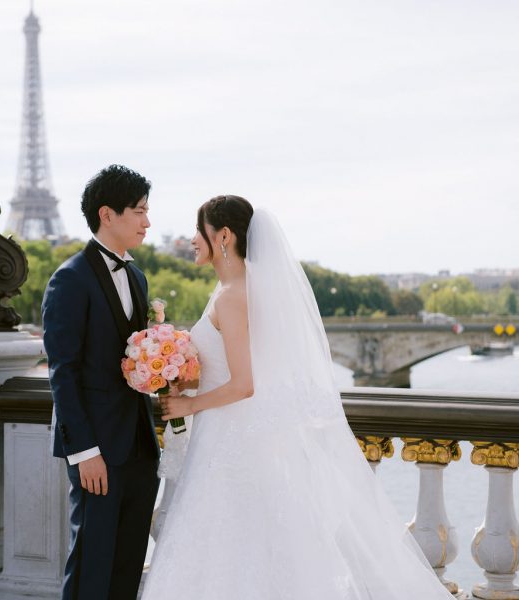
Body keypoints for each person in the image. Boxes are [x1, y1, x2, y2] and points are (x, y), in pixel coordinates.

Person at [143, 196, 455, 599]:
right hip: (236, 434)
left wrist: (188, 404)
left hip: (231, 438)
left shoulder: (231, 295)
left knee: (226, 548)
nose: (190, 239)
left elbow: (244, 384)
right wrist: (187, 378)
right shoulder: (237, 289)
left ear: (223, 236)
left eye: (197, 229)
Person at [42, 165, 160, 600]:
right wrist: (84, 451)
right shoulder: (69, 279)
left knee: (129, 563)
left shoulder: (138, 277)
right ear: (107, 214)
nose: (147, 222)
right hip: (96, 451)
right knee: (92, 563)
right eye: (140, 212)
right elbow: (63, 371)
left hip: (140, 447)